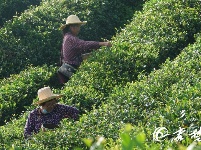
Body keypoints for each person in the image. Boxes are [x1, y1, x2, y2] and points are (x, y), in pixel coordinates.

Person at [58, 14, 112, 84]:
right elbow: (84, 44)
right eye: (78, 26)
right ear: (72, 27)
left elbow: (77, 56)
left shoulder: (68, 37)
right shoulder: (69, 38)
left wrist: (95, 53)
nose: (79, 29)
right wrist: (103, 43)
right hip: (69, 71)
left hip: (69, 70)